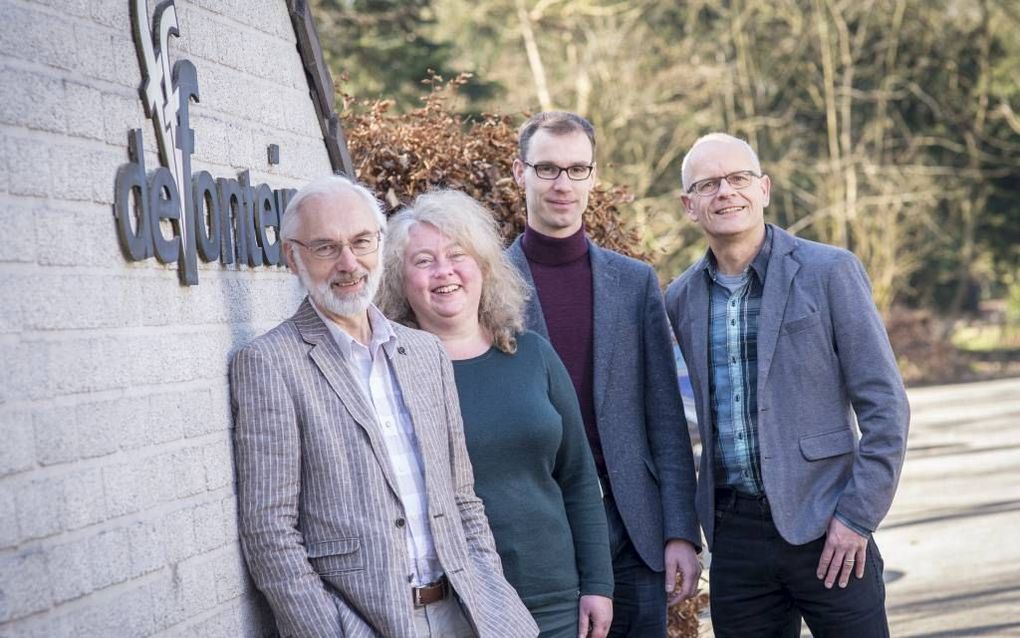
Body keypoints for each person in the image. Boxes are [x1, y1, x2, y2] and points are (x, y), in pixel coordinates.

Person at [230, 175, 538, 638]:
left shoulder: (425, 353)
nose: (349, 263)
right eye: (325, 247)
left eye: (360, 242)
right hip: (363, 624)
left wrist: (490, 592)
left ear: (379, 244)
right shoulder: (270, 363)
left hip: (467, 615)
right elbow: (270, 532)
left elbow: (462, 497)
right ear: (293, 256)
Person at [665, 133, 910, 637]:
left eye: (738, 179)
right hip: (734, 539)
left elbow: (886, 407)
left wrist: (857, 516)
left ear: (764, 189)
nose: (725, 193)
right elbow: (677, 425)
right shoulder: (681, 298)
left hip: (828, 528)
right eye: (708, 184)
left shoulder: (829, 271)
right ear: (689, 205)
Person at [377, 189, 614, 638]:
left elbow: (579, 477)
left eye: (457, 254)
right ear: (399, 280)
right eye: (423, 261)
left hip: (557, 600)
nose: (443, 271)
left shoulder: (532, 355)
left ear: (484, 267)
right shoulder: (390, 376)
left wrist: (598, 584)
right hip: (458, 607)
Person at [506, 111, 702, 637]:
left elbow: (665, 417)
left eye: (576, 169)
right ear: (519, 172)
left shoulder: (634, 282)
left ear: (594, 176)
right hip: (540, 528)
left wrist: (681, 530)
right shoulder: (489, 287)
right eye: (547, 168)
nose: (562, 183)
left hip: (632, 529)